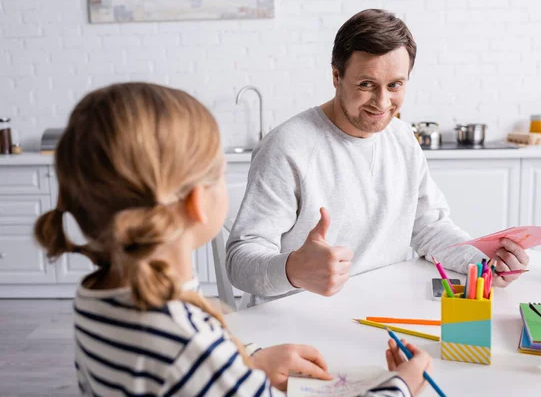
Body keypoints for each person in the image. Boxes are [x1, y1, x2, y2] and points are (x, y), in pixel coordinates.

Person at [34, 82, 432, 396]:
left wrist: (248, 364)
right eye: (219, 172)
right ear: (196, 203)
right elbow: (190, 363)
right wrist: (401, 385)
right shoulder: (187, 344)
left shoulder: (99, 296)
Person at [226, 9, 529, 307]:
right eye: (366, 84)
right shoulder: (287, 147)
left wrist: (482, 261)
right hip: (295, 322)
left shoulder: (401, 137)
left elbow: (428, 227)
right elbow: (240, 262)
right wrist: (293, 269)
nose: (382, 103)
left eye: (395, 85)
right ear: (336, 76)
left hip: (381, 311)